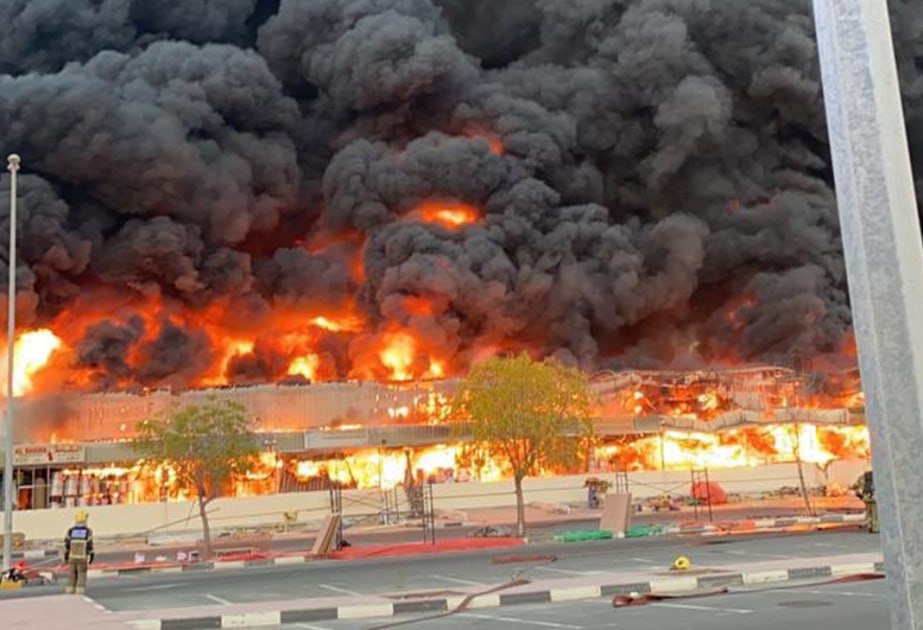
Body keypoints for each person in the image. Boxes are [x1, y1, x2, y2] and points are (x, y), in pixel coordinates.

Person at [64, 510, 94, 594]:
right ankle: (79, 591)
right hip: (82, 557)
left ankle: (70, 589)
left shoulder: (70, 531)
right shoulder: (88, 531)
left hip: (72, 557)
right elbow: (89, 545)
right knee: (81, 574)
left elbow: (67, 544)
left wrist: (66, 556)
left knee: (71, 573)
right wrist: (91, 555)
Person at [855, 467, 877, 534]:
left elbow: (856, 486)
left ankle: (870, 526)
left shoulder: (862, 477)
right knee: (875, 513)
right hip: (874, 497)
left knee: (869, 512)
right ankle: (875, 528)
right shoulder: (876, 476)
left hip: (866, 497)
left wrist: (861, 495)